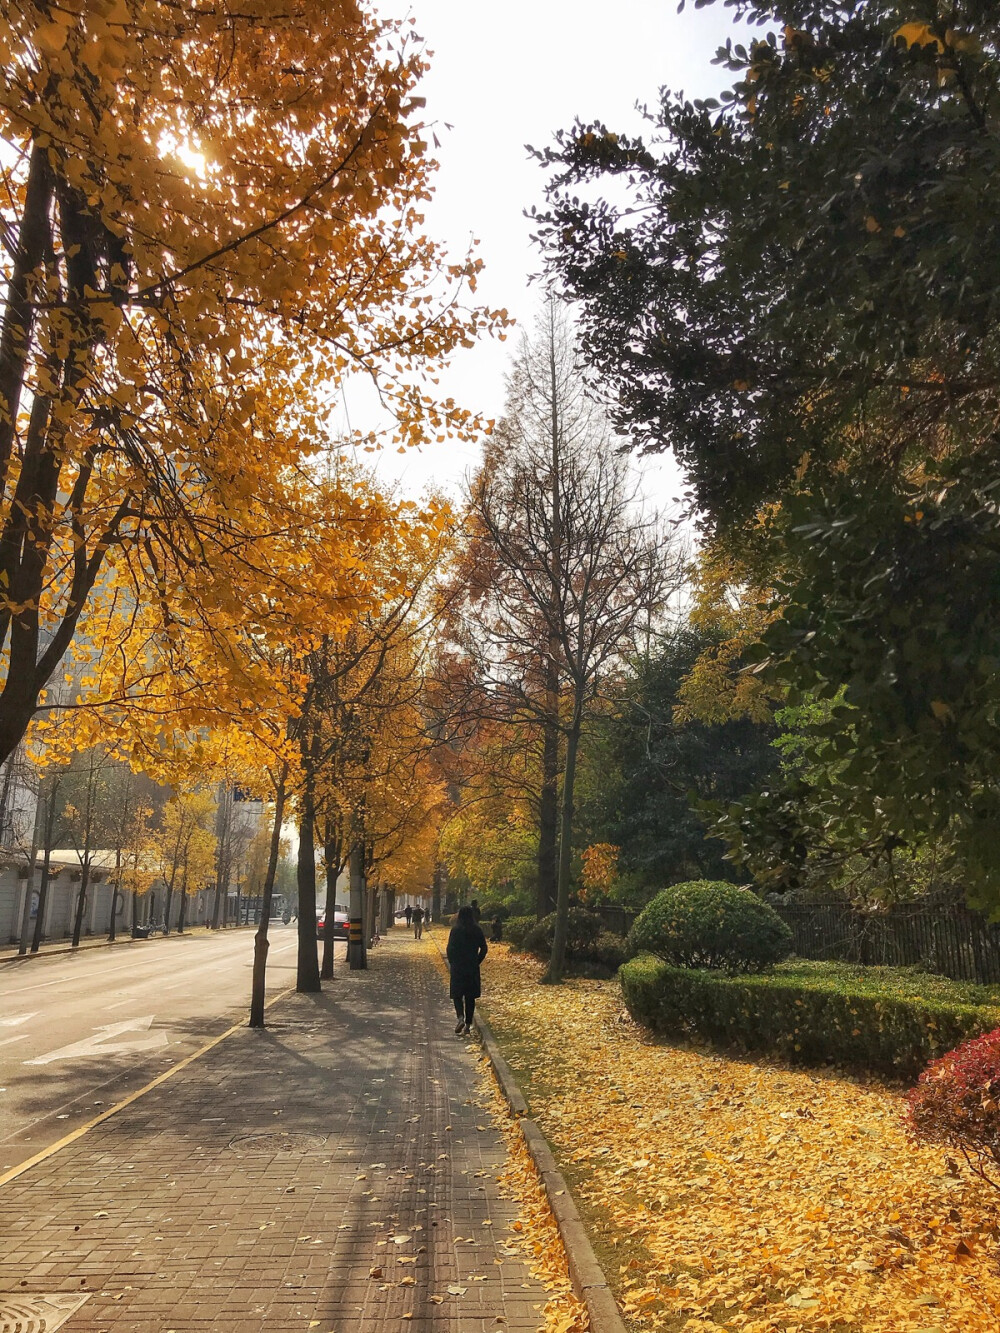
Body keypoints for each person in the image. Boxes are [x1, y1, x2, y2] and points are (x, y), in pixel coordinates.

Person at [447, 905, 488, 1035]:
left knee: (457, 995)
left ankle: (460, 1017)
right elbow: (484, 948)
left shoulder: (456, 930)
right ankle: (468, 1025)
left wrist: (452, 961)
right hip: (471, 966)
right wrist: (477, 960)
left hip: (458, 966)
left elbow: (450, 948)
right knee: (470, 996)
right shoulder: (477, 929)